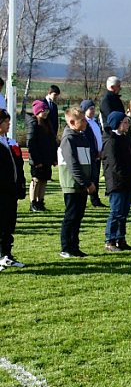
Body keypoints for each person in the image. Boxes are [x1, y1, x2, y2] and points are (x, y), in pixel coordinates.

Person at [58, 107, 96, 258]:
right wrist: (85, 182)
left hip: (83, 184)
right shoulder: (68, 139)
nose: (86, 122)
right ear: (73, 122)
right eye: (83, 120)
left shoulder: (82, 137)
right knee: (71, 216)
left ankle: (75, 246)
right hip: (72, 185)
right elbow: (73, 164)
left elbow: (90, 160)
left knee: (78, 216)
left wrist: (91, 180)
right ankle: (66, 247)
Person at [101, 112, 131, 252]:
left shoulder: (124, 138)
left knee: (124, 212)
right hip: (117, 182)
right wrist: (126, 178)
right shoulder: (111, 141)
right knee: (116, 212)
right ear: (117, 123)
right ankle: (110, 240)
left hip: (127, 181)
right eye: (125, 122)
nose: (127, 125)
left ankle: (120, 239)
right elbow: (114, 165)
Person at [0, 108, 26, 269]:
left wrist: (20, 185)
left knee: (9, 224)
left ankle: (6, 255)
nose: (9, 125)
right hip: (1, 191)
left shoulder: (9, 142)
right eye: (6, 122)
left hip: (11, 192)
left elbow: (18, 166)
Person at [26, 100, 57, 212]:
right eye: (43, 110)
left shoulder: (47, 123)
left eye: (46, 110)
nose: (45, 112)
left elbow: (52, 141)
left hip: (47, 158)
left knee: (44, 180)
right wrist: (36, 160)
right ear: (37, 111)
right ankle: (33, 202)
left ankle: (40, 202)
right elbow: (31, 144)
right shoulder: (34, 124)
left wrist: (54, 158)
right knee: (36, 180)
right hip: (38, 158)